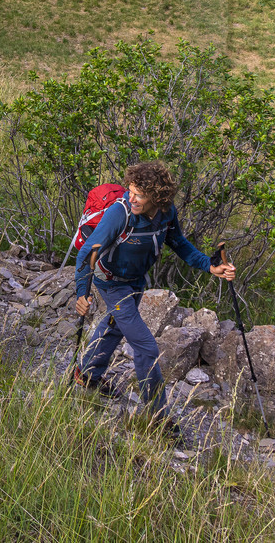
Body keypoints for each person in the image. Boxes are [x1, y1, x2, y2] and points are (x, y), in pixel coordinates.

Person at [72, 160, 236, 437]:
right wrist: (82, 293)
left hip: (135, 280)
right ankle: (158, 419)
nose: (131, 198)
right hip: (111, 282)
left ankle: (87, 373)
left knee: (115, 325)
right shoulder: (119, 213)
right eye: (130, 191)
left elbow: (180, 244)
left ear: (157, 197)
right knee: (147, 348)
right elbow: (87, 252)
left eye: (139, 194)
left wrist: (210, 267)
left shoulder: (166, 213)